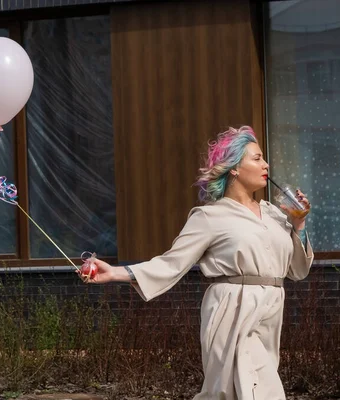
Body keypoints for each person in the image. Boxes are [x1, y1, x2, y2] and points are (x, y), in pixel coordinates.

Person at [80, 126, 314, 400]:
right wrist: (116, 273)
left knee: (238, 393)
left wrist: (298, 225)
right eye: (257, 158)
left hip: (271, 312)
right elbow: (171, 263)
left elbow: (297, 271)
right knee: (250, 392)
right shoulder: (209, 217)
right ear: (234, 168)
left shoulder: (274, 214)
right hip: (231, 308)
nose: (266, 164)